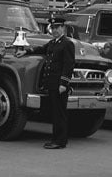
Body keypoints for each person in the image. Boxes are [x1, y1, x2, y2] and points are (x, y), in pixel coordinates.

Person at [23, 16, 75, 149]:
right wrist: (26, 51)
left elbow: (68, 65)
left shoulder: (67, 43)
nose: (55, 30)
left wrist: (63, 83)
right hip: (52, 84)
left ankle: (59, 141)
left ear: (63, 28)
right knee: (55, 112)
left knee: (60, 113)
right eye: (53, 28)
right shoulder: (53, 43)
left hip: (59, 84)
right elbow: (41, 49)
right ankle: (58, 139)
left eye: (57, 28)